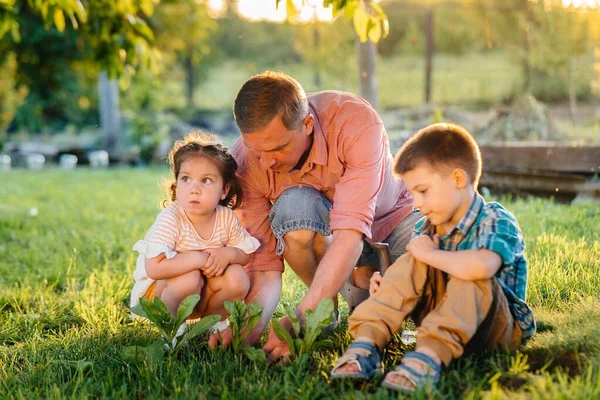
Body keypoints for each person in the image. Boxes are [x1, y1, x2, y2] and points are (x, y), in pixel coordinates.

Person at [209, 71, 421, 359]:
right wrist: (248, 327)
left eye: (278, 148)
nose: (267, 162)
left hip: (394, 221)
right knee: (293, 206)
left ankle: (349, 296)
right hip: (336, 242)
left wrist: (299, 316)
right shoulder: (246, 163)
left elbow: (350, 235)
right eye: (257, 150)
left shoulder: (353, 123)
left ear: (307, 125)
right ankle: (325, 309)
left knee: (442, 275)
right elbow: (264, 266)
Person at [330, 123, 536, 393]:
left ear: (458, 179)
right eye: (413, 193)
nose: (416, 203)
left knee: (466, 271)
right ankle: (367, 345)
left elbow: (483, 266)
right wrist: (389, 284)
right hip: (442, 318)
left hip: (495, 330)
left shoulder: (495, 220)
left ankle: (427, 358)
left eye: (423, 190)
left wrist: (429, 253)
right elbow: (413, 277)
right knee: (412, 262)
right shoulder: (425, 228)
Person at [131, 130, 260, 336]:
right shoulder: (171, 218)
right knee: (189, 277)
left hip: (202, 293)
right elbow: (154, 268)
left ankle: (212, 322)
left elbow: (244, 253)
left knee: (238, 277)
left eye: (206, 180)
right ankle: (171, 325)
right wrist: (198, 259)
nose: (194, 189)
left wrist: (228, 254)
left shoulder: (225, 217)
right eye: (186, 179)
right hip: (162, 295)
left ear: (224, 191)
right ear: (177, 183)